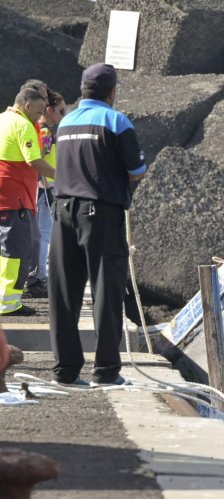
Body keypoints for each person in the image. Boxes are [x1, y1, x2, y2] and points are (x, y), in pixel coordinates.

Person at [50, 64, 146, 386]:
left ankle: (65, 370)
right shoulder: (115, 120)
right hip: (100, 213)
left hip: (62, 210)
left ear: (81, 89)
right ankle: (105, 371)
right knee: (106, 290)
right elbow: (137, 169)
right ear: (112, 91)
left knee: (63, 292)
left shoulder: (65, 122)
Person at [1, 87, 55, 316]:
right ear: (27, 105)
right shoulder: (23, 125)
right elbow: (34, 162)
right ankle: (8, 303)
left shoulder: (3, 118)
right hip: (16, 198)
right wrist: (64, 177)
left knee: (5, 249)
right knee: (15, 251)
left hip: (5, 196)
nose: (40, 117)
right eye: (39, 111)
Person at [26, 88, 64, 297]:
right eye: (61, 111)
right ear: (48, 110)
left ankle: (38, 274)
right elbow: (38, 158)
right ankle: (39, 276)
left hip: (45, 187)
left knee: (42, 235)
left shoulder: (43, 130)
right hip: (44, 189)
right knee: (43, 235)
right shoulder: (44, 132)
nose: (63, 116)